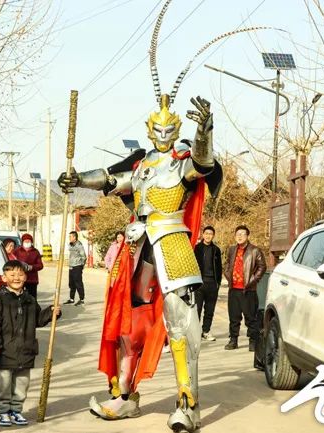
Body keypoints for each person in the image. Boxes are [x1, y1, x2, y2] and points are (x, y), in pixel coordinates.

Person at [58, 21, 224, 429]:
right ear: (150, 129)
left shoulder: (182, 163)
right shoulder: (143, 167)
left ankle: (188, 402)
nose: (164, 134)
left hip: (173, 243)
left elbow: (203, 164)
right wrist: (77, 180)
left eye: (171, 129)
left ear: (177, 130)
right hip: (139, 246)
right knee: (129, 325)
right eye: (158, 129)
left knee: (180, 325)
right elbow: (110, 180)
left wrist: (204, 131)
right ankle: (125, 394)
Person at [0, 260, 61, 427]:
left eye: (20, 274)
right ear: (4, 278)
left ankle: (16, 410)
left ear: (26, 277)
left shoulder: (30, 300)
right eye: (12, 275)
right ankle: (3, 411)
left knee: (21, 383)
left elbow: (38, 320)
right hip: (4, 352)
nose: (16, 278)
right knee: (3, 383)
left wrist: (51, 312)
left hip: (25, 350)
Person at [223, 225, 267, 351]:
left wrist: (253, 280)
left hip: (248, 290)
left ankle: (253, 341)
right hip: (233, 289)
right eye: (238, 234)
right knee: (234, 317)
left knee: (251, 318)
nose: (240, 236)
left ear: (247, 236)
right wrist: (228, 275)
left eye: (243, 234)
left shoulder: (255, 250)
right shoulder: (232, 249)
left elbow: (262, 266)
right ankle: (233, 340)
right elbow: (227, 264)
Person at [194, 226, 222, 342]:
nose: (208, 236)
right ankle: (195, 333)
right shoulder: (197, 248)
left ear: (213, 235)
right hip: (200, 284)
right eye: (206, 233)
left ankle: (206, 331)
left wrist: (218, 283)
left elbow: (219, 267)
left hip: (212, 284)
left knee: (210, 310)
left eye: (210, 234)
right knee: (197, 310)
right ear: (203, 234)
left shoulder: (216, 250)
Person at [14, 233, 43, 299]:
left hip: (32, 279)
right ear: (22, 242)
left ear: (31, 242)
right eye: (25, 241)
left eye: (28, 241)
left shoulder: (35, 252)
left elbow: (40, 265)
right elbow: (12, 261)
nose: (27, 242)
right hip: (19, 278)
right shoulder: (17, 251)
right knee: (18, 297)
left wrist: (31, 267)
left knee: (32, 297)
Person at [63, 231, 86, 306]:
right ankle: (71, 299)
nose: (69, 238)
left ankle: (81, 299)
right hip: (71, 266)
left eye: (70, 236)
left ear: (75, 237)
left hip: (77, 266)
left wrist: (81, 266)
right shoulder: (71, 245)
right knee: (71, 283)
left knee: (78, 283)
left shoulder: (79, 245)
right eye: (69, 236)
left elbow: (84, 257)